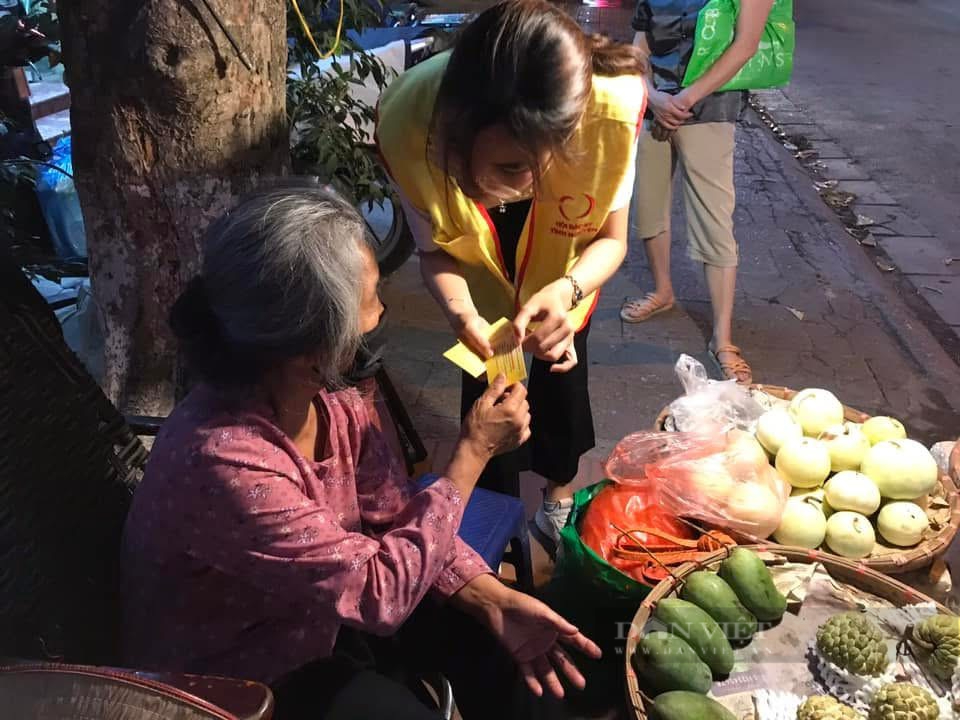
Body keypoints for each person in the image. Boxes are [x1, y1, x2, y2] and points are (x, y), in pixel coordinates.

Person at [120, 184, 602, 720]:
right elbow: (380, 594)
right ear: (310, 349)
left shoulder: (332, 400)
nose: (380, 314)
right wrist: (474, 451)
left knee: (506, 643)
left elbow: (395, 513)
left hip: (323, 612)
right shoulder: (223, 461)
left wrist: (487, 596)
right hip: (243, 675)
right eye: (369, 302)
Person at [376, 0, 648, 548]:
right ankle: (493, 526)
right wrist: (463, 314)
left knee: (564, 388)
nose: (528, 185)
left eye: (548, 162)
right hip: (480, 308)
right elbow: (435, 253)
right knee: (489, 407)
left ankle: (559, 491)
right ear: (450, 136)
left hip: (566, 285)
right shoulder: (408, 125)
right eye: (507, 168)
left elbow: (610, 240)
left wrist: (568, 291)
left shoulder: (613, 112)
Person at [620, 0, 775, 384]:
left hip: (709, 110)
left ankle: (723, 339)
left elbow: (746, 45)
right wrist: (653, 96)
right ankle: (662, 291)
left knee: (713, 218)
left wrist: (686, 98)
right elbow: (638, 49)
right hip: (654, 109)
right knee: (649, 205)